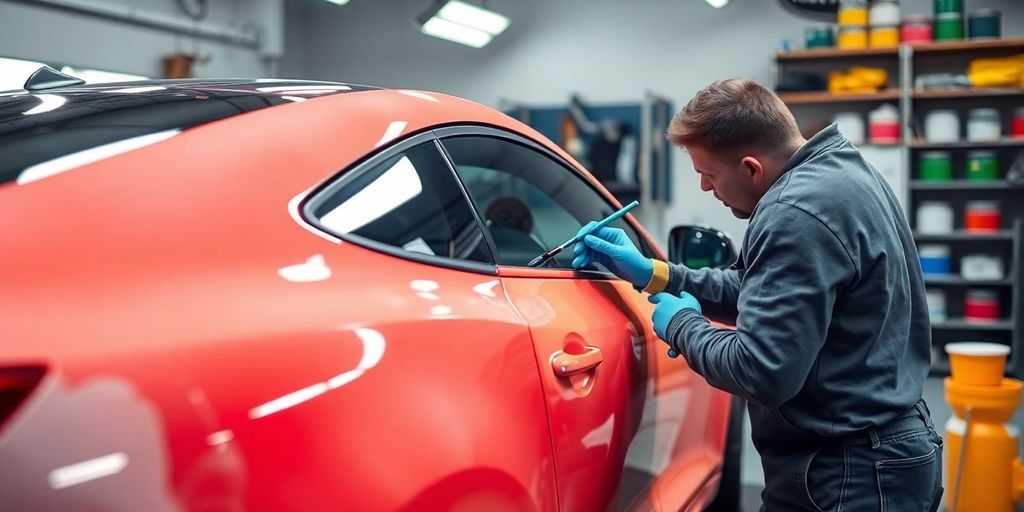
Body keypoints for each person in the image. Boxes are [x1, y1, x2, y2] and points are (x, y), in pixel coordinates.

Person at [572, 79, 943, 511]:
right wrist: (656, 274)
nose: (706, 190)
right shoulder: (839, 171)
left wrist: (681, 324)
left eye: (707, 175)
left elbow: (760, 370)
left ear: (751, 168)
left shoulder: (794, 212)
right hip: (880, 452)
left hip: (849, 473)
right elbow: (762, 290)